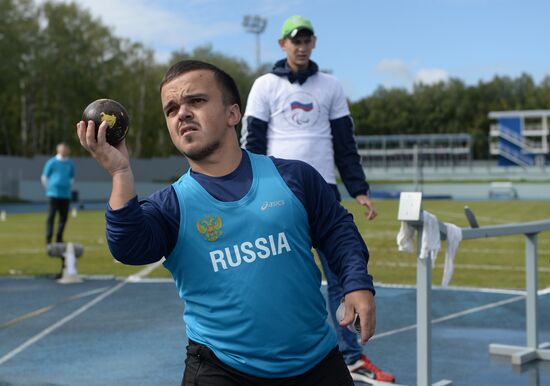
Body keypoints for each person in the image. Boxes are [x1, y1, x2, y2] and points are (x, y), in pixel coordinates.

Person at [76, 60, 376, 386]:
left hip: (317, 364)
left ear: (233, 114)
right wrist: (120, 174)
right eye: (172, 108)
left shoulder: (294, 176)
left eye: (197, 101)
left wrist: (356, 282)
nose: (183, 113)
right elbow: (129, 248)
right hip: (222, 370)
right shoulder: (171, 206)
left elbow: (338, 231)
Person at [241, 15, 395, 384]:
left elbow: (344, 143)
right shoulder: (265, 85)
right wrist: (248, 189)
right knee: (275, 276)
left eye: (307, 39)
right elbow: (252, 144)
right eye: (294, 40)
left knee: (341, 275)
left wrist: (359, 188)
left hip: (324, 191)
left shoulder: (331, 86)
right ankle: (270, 353)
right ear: (282, 44)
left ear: (314, 43)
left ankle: (352, 357)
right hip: (278, 191)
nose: (301, 45)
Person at [41, 142, 75, 245]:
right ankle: (48, 238)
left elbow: (72, 177)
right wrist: (50, 188)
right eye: (62, 148)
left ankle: (59, 238)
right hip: (53, 194)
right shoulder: (51, 162)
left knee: (63, 218)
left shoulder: (70, 163)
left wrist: (68, 186)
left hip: (65, 195)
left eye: (66, 149)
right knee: (51, 216)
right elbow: (44, 177)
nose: (64, 150)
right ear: (58, 150)